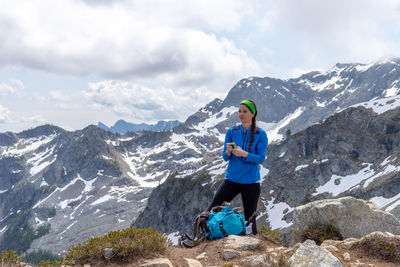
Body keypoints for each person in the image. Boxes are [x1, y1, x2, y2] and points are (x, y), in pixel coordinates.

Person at [207, 99, 268, 234]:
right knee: (212, 211)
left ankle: (253, 248)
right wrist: (228, 152)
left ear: (252, 114)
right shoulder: (232, 131)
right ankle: (204, 237)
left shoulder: (261, 134)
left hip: (251, 183)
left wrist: (244, 154)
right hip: (231, 180)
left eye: (245, 111)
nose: (241, 114)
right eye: (239, 111)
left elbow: (261, 158)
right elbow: (225, 157)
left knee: (250, 221)